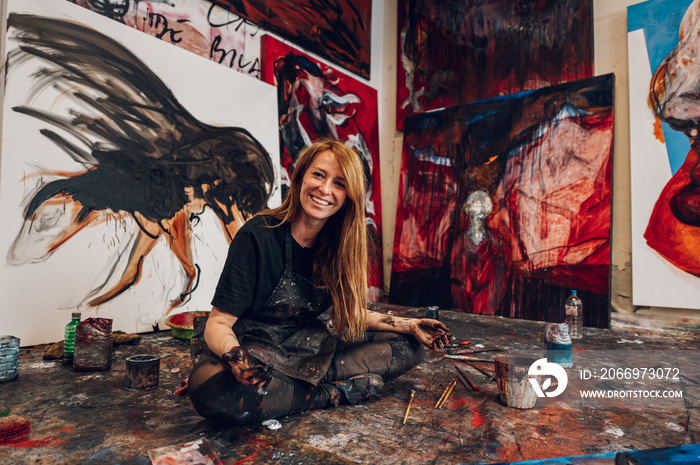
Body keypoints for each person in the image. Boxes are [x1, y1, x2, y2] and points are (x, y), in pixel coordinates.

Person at [188, 138, 452, 425]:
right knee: (207, 387)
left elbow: (348, 316)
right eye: (319, 175)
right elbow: (218, 323)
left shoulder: (342, 243)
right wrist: (237, 359)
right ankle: (331, 394)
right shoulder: (258, 235)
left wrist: (410, 324)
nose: (325, 190)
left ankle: (291, 389)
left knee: (409, 347)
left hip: (306, 346)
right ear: (300, 177)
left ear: (349, 195)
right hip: (254, 348)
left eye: (339, 184)